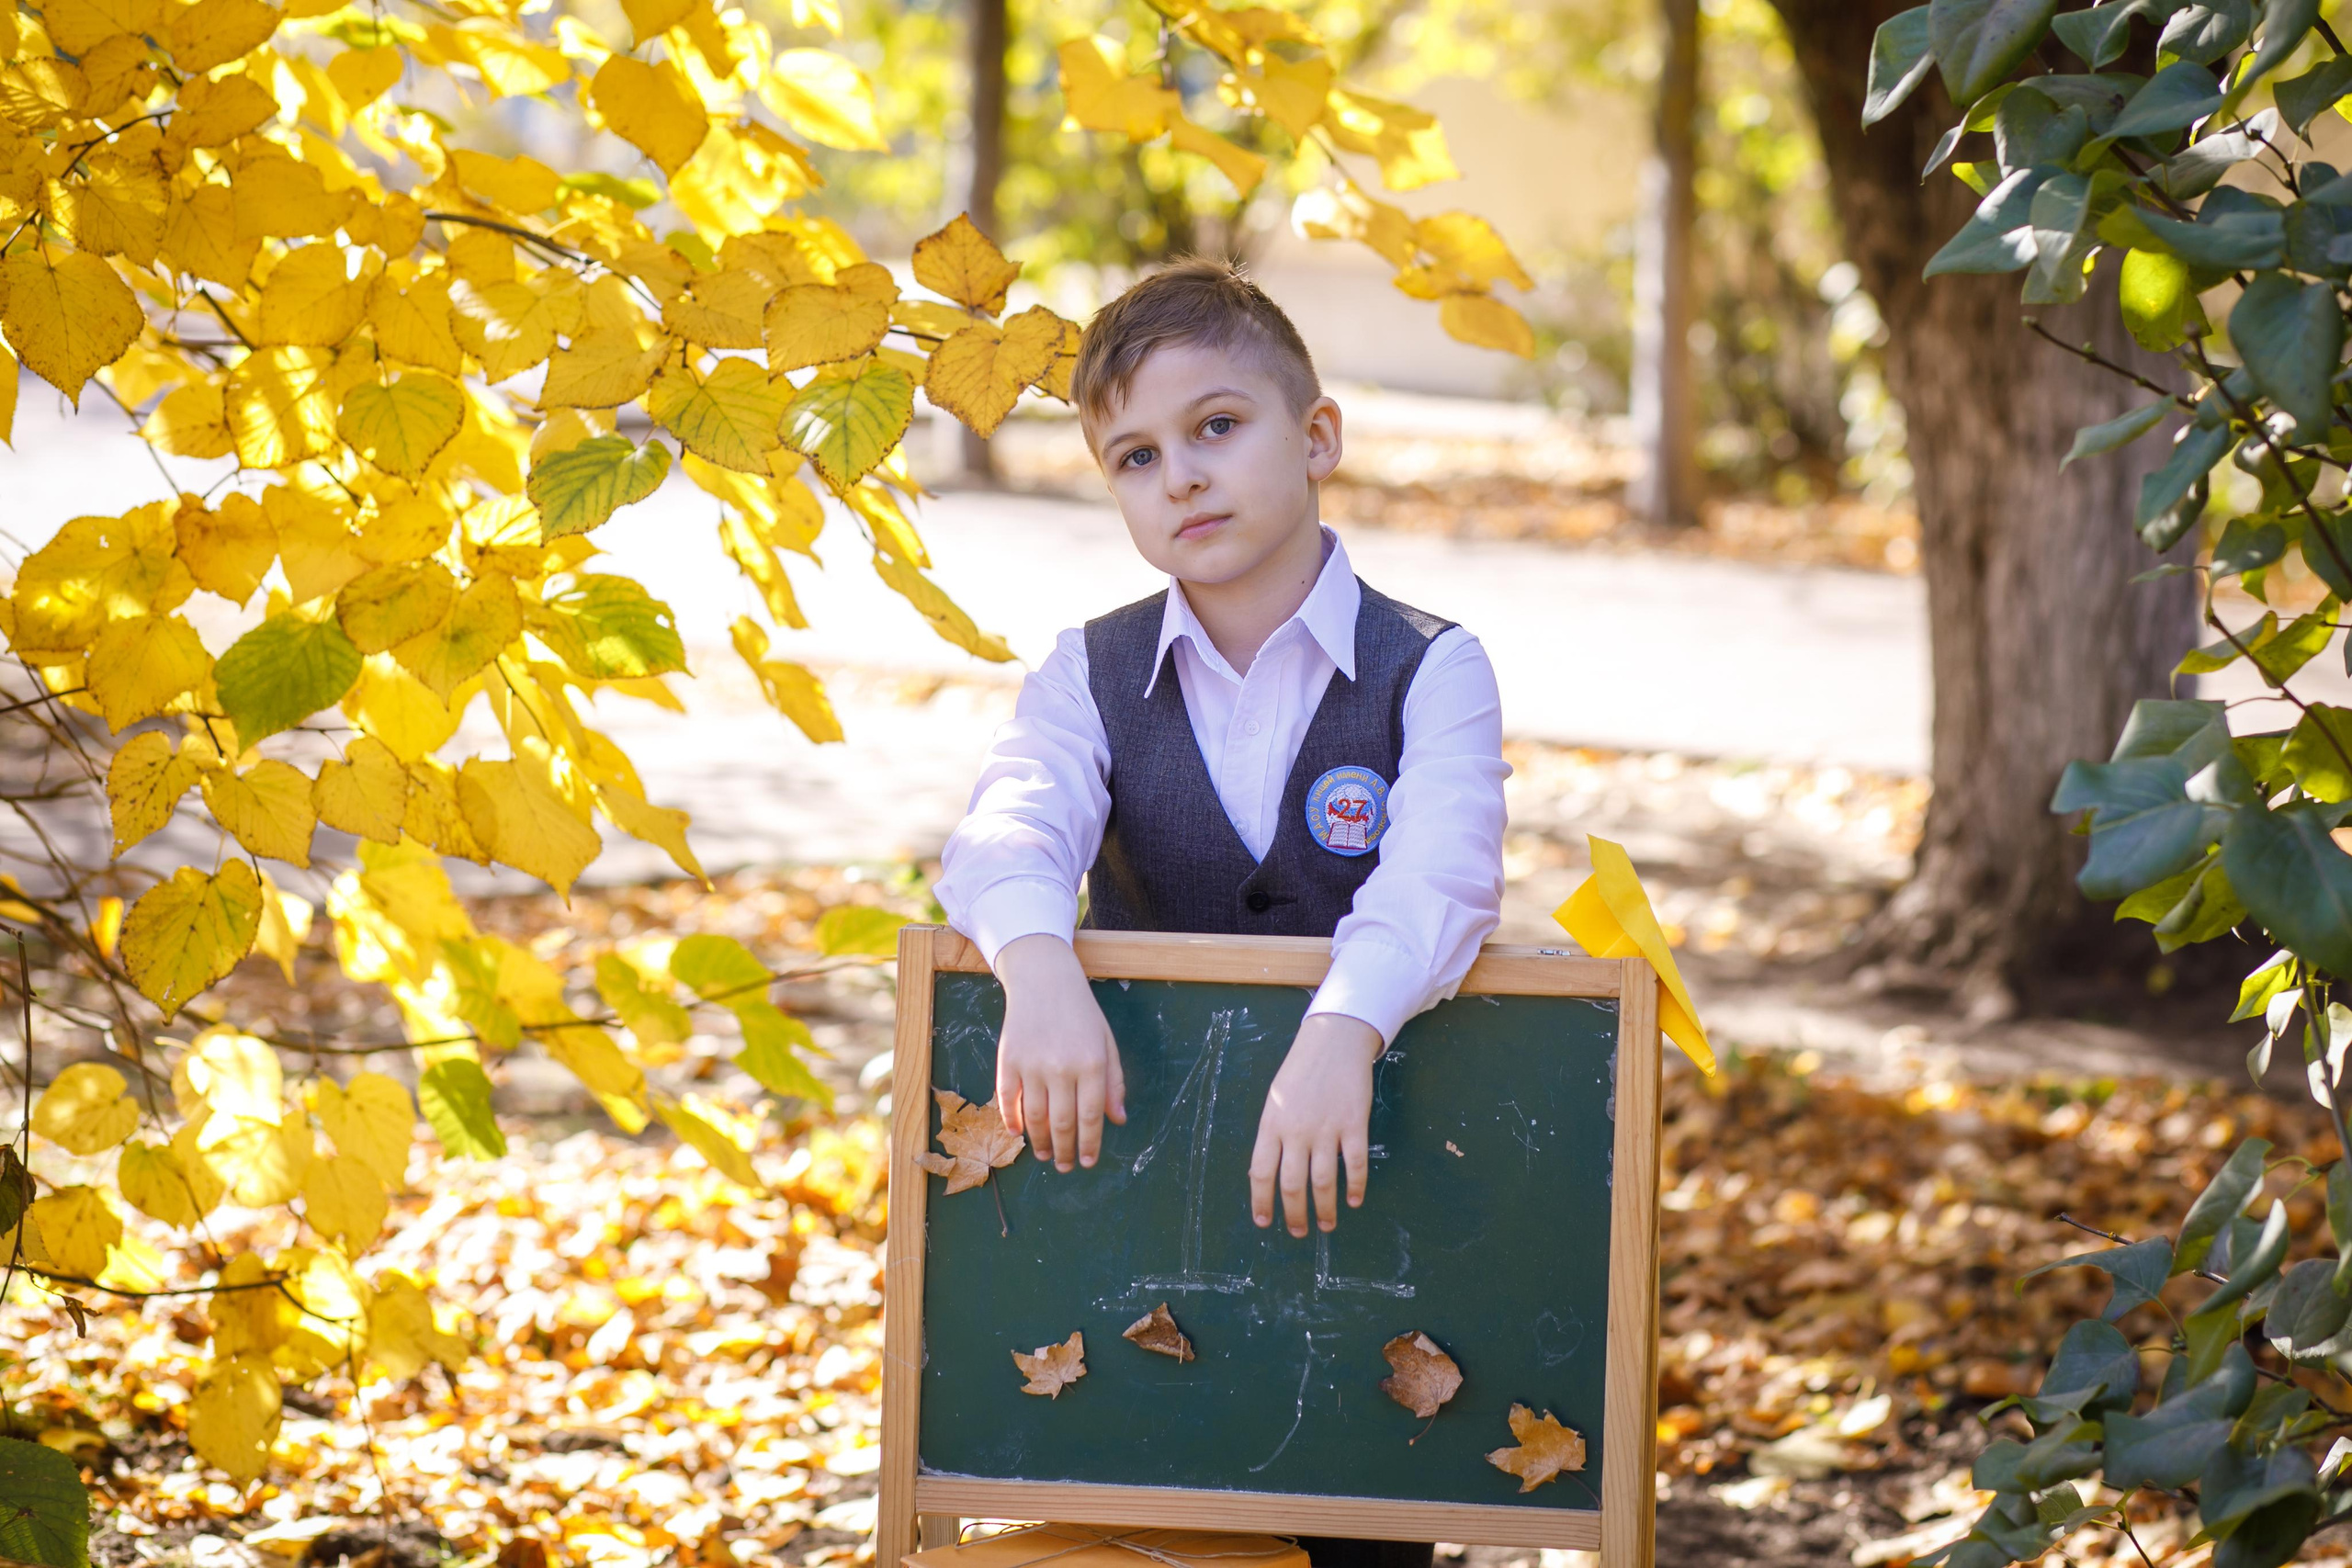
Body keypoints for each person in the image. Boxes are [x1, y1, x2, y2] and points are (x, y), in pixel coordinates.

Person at [933, 256, 1509, 1568]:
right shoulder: (1088, 670)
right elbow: (1011, 822)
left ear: (1317, 437)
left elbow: (1441, 876)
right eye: (1135, 457)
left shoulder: (1433, 667)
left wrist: (1342, 1030)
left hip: (1368, 1196)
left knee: (1365, 1514)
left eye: (1216, 426)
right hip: (1137, 1207)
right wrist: (1038, 970)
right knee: (1142, 1517)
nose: (1180, 477)